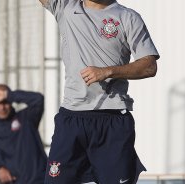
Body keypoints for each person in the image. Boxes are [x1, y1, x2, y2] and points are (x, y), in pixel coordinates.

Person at [39, 0, 160, 183]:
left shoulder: (128, 17)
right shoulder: (66, 7)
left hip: (112, 119)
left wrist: (108, 71)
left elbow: (149, 66)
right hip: (72, 118)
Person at [0, 84, 47, 184]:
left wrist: (8, 95)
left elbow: (38, 99)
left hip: (40, 180)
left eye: (5, 102)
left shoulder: (26, 118)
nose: (2, 107)